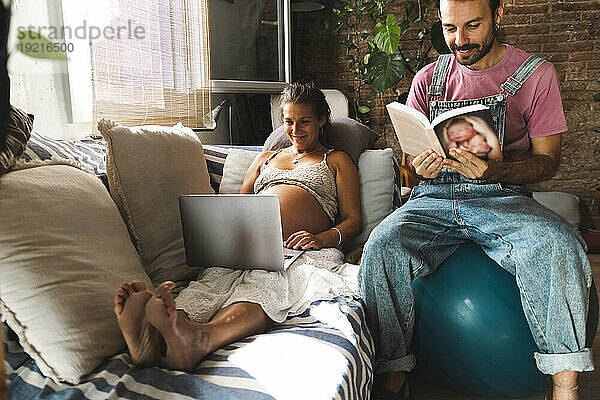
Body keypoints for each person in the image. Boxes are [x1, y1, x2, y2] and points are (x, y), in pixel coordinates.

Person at [358, 1, 593, 400]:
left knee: (559, 244)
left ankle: (564, 386)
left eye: (472, 26)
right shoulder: (428, 79)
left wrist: (494, 171)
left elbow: (547, 163)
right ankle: (392, 378)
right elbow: (410, 161)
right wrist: (421, 167)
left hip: (502, 198)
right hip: (434, 197)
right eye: (450, 28)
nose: (460, 41)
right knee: (381, 245)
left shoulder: (536, 75)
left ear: (498, 15)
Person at [113, 81, 362, 372]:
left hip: (299, 251)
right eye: (288, 122)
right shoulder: (267, 158)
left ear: (321, 120)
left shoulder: (336, 160)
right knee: (208, 289)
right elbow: (238, 206)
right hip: (247, 245)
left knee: (264, 287)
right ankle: (154, 341)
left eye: (305, 122)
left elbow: (353, 221)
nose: (295, 130)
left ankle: (201, 338)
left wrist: (321, 239)